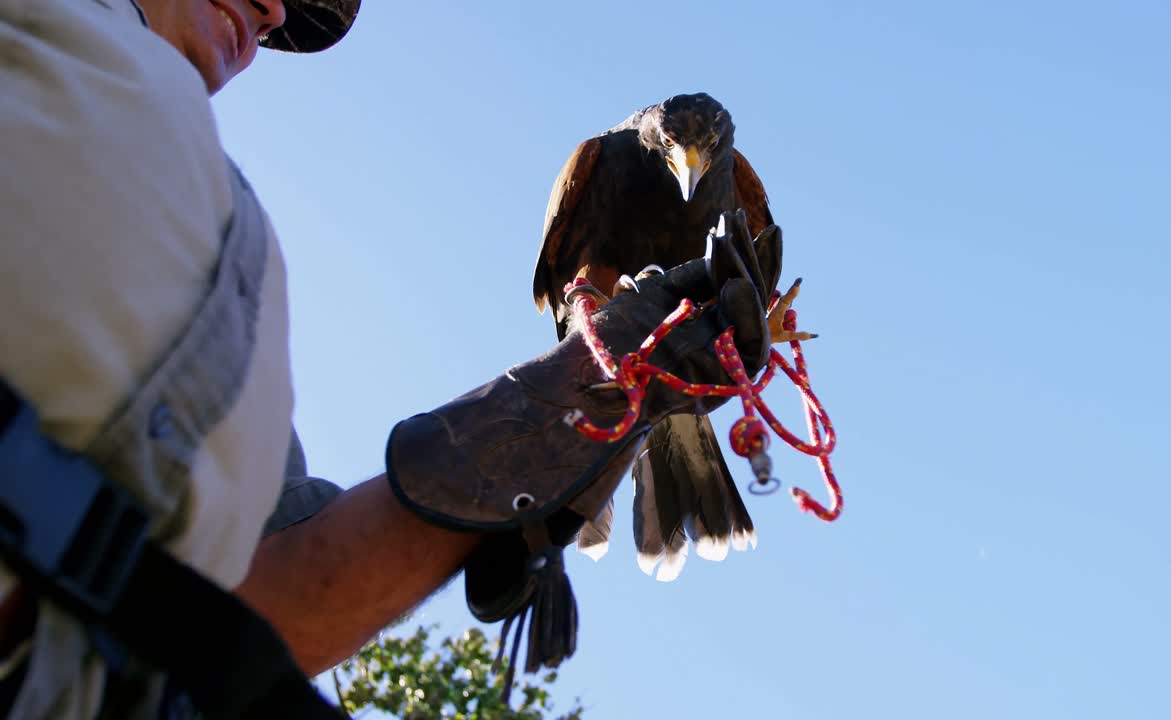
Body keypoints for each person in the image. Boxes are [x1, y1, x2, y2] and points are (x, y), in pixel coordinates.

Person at [0, 0, 782, 717]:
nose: (273, 15)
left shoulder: (243, 268)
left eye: (285, 19)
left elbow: (264, 599)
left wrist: (565, 412)